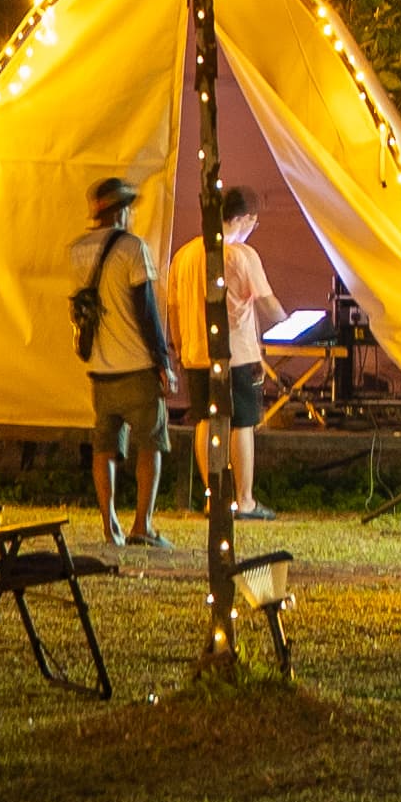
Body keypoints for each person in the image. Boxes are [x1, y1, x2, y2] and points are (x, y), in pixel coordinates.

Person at [70, 168, 169, 545]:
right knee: (150, 444)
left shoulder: (77, 251)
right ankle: (142, 525)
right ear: (121, 211)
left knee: (104, 446)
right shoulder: (133, 248)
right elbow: (146, 312)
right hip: (137, 366)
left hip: (100, 368)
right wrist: (162, 361)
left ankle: (109, 523)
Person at [184, 178, 287, 519]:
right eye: (253, 224)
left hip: (196, 354)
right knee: (242, 423)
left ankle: (213, 497)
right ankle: (243, 500)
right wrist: (291, 326)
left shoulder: (186, 255)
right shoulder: (241, 255)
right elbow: (268, 303)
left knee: (205, 421)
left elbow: (172, 307)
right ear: (243, 219)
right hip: (237, 354)